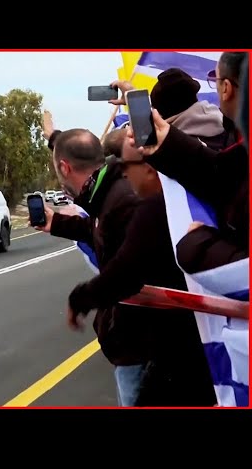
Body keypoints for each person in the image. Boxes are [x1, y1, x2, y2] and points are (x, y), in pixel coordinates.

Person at [66, 134, 216, 406]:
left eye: (126, 167)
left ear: (150, 167)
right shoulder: (199, 189)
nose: (123, 174)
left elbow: (124, 272)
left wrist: (80, 299)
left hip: (185, 349)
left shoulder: (154, 209)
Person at [36, 127, 155, 406]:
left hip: (140, 345)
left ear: (64, 168)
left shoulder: (122, 199)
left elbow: (128, 270)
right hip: (133, 343)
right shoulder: (108, 194)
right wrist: (58, 223)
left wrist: (82, 299)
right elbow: (99, 229)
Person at [126, 51, 248, 273]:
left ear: (227, 88)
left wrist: (198, 245)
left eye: (216, 80)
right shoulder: (232, 133)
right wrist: (169, 145)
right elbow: (225, 177)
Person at [111, 68, 235, 152]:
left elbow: (146, 143)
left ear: (160, 114)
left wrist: (134, 98)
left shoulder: (173, 150)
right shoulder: (232, 126)